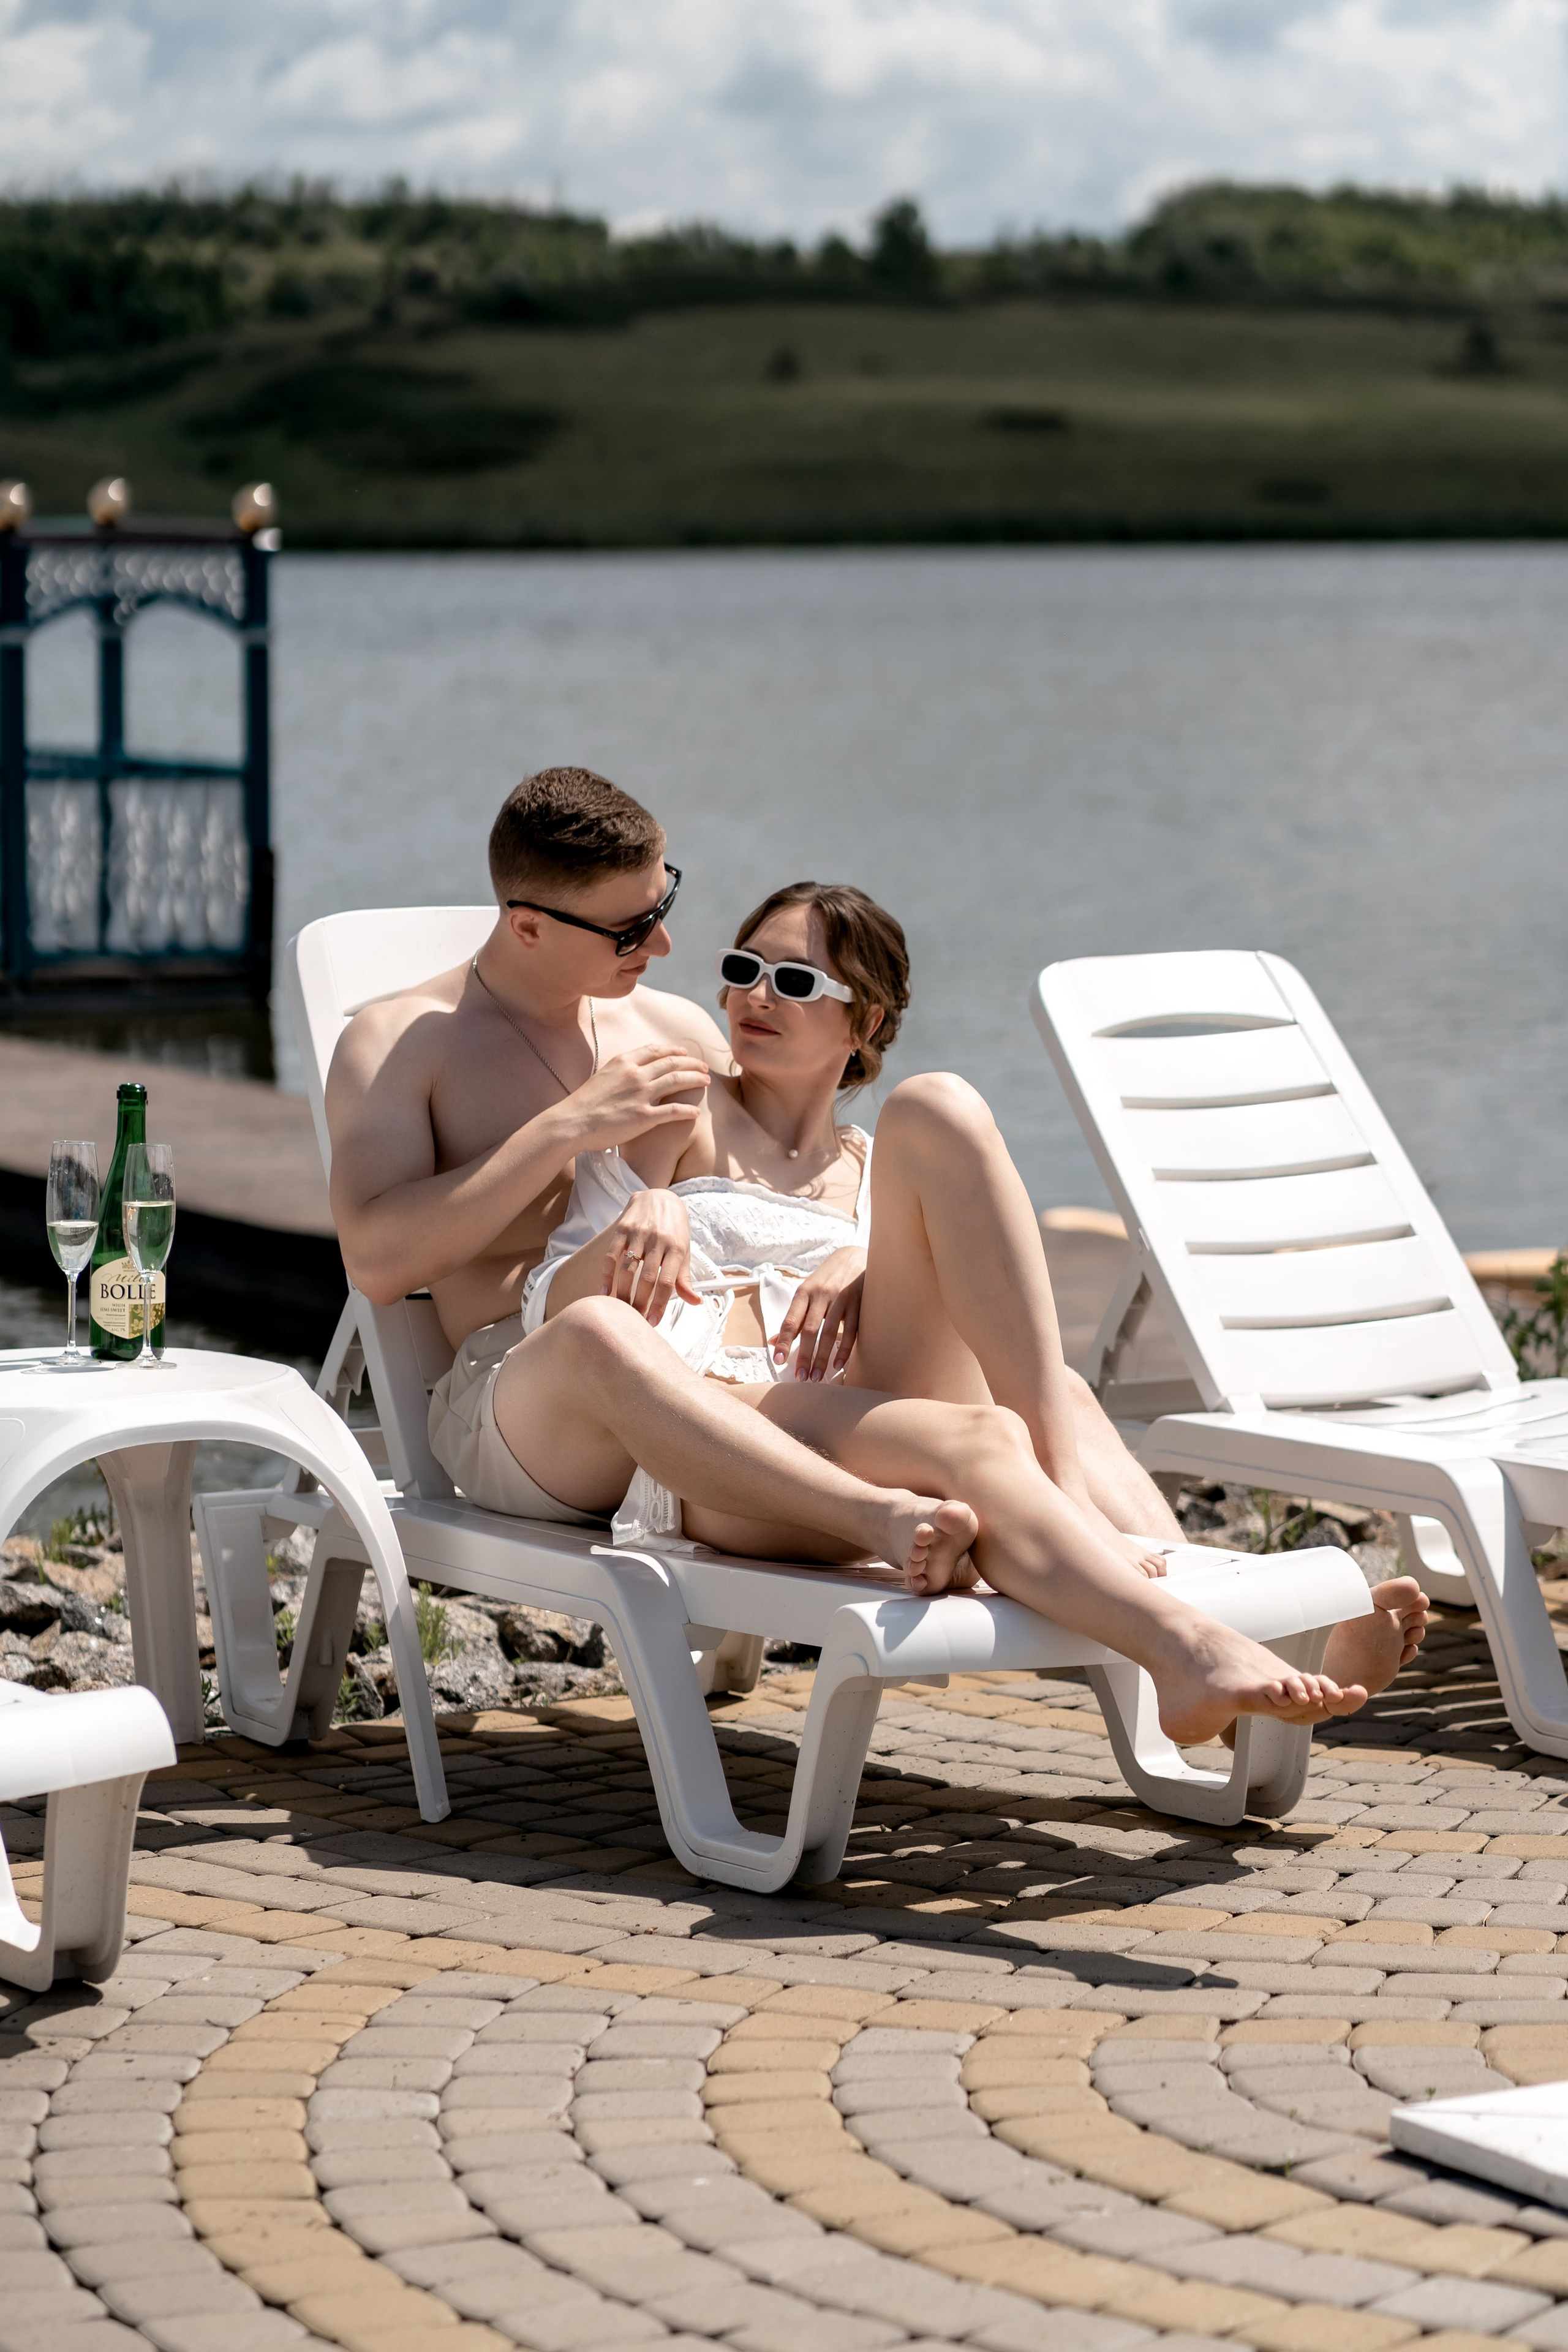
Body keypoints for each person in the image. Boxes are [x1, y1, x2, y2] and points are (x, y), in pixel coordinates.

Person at [328, 767, 1425, 1749]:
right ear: (526, 926)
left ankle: (1212, 1643)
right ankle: (984, 1558)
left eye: (665, 910)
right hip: (530, 1391)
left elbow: (780, 1160)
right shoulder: (402, 1041)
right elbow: (379, 1262)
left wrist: (868, 1262)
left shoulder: (669, 1030)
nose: (665, 948)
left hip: (739, 1383)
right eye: (633, 929)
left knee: (1026, 1386)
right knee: (614, 1330)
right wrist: (566, 1132)